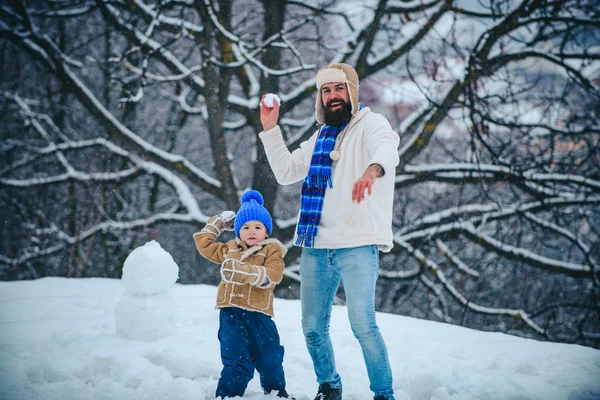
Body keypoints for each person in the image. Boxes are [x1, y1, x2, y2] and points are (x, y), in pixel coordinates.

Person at [258, 63, 399, 400]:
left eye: (338, 89)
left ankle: (384, 394)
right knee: (312, 329)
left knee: (362, 325)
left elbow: (387, 146)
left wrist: (371, 170)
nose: (333, 96)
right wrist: (270, 129)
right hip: (317, 246)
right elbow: (286, 171)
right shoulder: (319, 137)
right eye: (326, 91)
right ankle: (329, 386)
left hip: (357, 244)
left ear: (351, 91)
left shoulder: (370, 124)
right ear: (321, 97)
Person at [193, 190, 292, 399]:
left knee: (270, 358)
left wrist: (246, 273)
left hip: (260, 315)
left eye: (258, 227)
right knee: (236, 359)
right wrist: (218, 223)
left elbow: (273, 274)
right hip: (231, 314)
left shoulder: (272, 250)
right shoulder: (230, 248)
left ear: (266, 232)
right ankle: (227, 395)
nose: (252, 232)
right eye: (245, 227)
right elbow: (204, 245)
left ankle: (276, 394)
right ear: (238, 231)